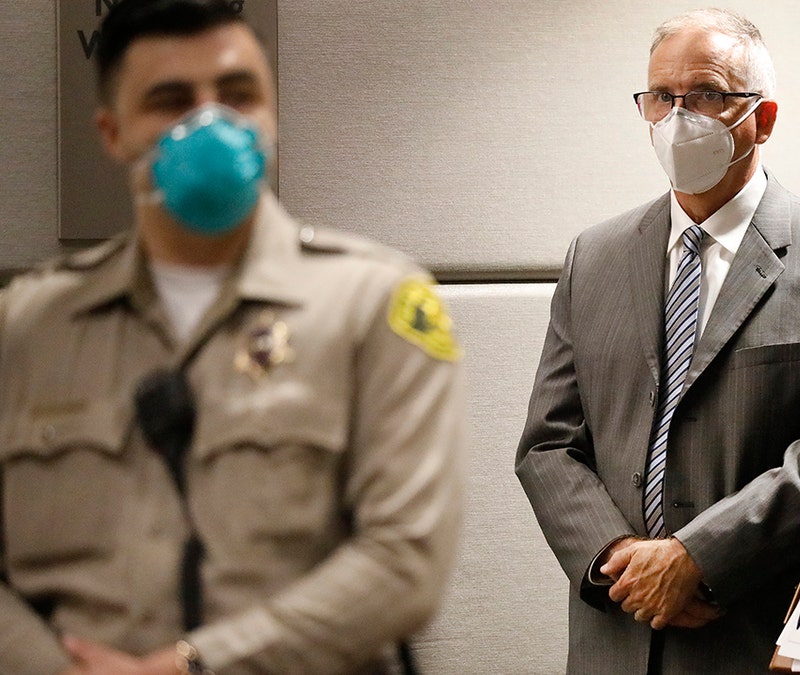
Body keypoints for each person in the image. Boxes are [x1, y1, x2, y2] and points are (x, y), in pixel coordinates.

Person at [0, 1, 464, 673]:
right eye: (171, 100)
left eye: (239, 94)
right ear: (112, 131)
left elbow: (406, 561)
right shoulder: (26, 327)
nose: (212, 121)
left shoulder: (378, 304)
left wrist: (194, 665)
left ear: (271, 114)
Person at [515, 8, 800, 673]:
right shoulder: (594, 256)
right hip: (614, 638)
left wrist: (697, 557)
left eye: (706, 94)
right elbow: (548, 444)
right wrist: (621, 562)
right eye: (662, 96)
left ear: (762, 119)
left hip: (747, 633)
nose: (679, 117)